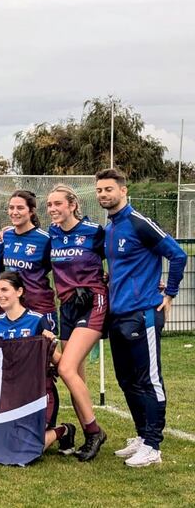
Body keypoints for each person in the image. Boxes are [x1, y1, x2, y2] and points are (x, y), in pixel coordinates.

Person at [96, 168, 186, 467]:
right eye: (100, 190)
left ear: (123, 190)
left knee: (150, 380)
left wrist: (169, 292)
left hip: (143, 313)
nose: (103, 194)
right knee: (126, 380)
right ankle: (141, 436)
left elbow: (177, 255)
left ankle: (153, 444)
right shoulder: (110, 228)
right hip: (118, 315)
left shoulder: (139, 222)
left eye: (109, 189)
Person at [47, 184, 108, 460]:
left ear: (72, 204)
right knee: (75, 376)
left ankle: (95, 432)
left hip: (92, 302)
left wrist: (152, 281)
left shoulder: (94, 232)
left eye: (58, 204)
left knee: (67, 367)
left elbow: (122, 259)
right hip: (67, 306)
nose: (52, 209)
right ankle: (85, 433)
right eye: (49, 205)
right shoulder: (52, 234)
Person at [0, 271, 76, 455]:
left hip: (39, 392)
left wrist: (51, 344)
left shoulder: (37, 320)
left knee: (27, 448)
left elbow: (59, 361)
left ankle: (64, 430)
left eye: (4, 289)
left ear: (19, 291)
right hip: (12, 393)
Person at [2, 190, 57, 330]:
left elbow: (58, 268)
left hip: (39, 307)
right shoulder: (6, 236)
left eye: (20, 208)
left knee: (47, 351)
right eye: (11, 207)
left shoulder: (44, 239)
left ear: (31, 211)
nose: (14, 212)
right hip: (14, 308)